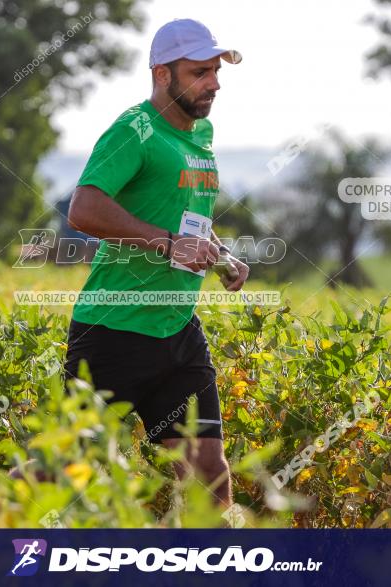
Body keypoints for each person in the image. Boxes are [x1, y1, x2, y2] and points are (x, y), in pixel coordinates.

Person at [64, 18, 249, 507]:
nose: (213, 83)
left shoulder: (201, 133)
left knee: (210, 476)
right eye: (199, 73)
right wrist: (166, 244)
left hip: (177, 331)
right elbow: (83, 208)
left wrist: (222, 256)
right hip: (113, 332)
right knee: (70, 476)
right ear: (161, 73)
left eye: (215, 71)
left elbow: (186, 218)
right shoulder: (134, 130)